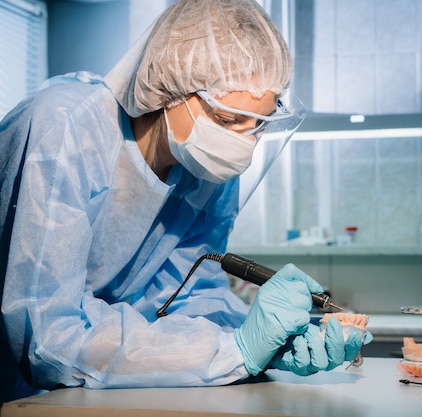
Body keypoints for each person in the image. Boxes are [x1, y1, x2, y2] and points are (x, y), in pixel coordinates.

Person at [0, 0, 371, 403]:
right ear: (170, 86)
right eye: (229, 120)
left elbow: (188, 298)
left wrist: (266, 345)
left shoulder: (205, 167)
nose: (242, 144)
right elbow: (49, 339)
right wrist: (235, 351)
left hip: (89, 392)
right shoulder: (66, 128)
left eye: (259, 125)